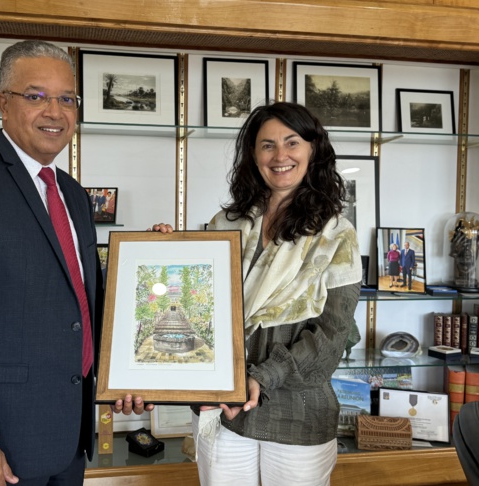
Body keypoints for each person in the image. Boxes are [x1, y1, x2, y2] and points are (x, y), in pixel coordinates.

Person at [0, 40, 149, 486]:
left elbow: (80, 304)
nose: (55, 112)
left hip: (68, 441)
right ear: (3, 104)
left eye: (67, 99)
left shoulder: (73, 194)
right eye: (36, 96)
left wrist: (128, 375)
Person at [154, 102, 361, 485]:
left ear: (312, 149)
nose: (280, 155)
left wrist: (262, 378)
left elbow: (331, 337)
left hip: (296, 414)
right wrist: (165, 256)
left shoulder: (336, 235)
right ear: (253, 155)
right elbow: (198, 309)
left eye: (291, 142)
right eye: (267, 145)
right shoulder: (225, 225)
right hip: (222, 410)